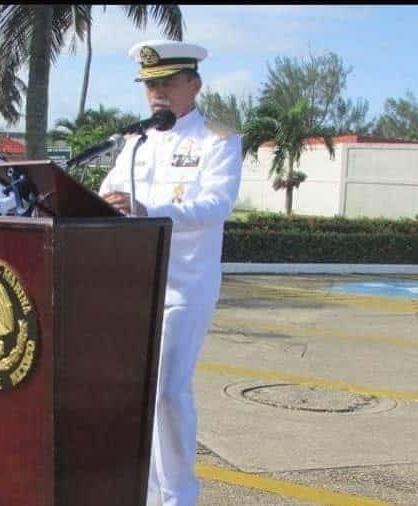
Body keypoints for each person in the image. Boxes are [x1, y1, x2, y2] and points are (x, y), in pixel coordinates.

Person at [99, 40, 243, 506]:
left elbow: (216, 205)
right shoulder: (135, 141)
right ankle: (148, 491)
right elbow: (109, 192)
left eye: (166, 83)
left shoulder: (218, 139)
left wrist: (147, 209)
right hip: (135, 283)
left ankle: (180, 496)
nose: (156, 94)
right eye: (149, 86)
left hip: (186, 283)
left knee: (166, 389)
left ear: (193, 85)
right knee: (137, 393)